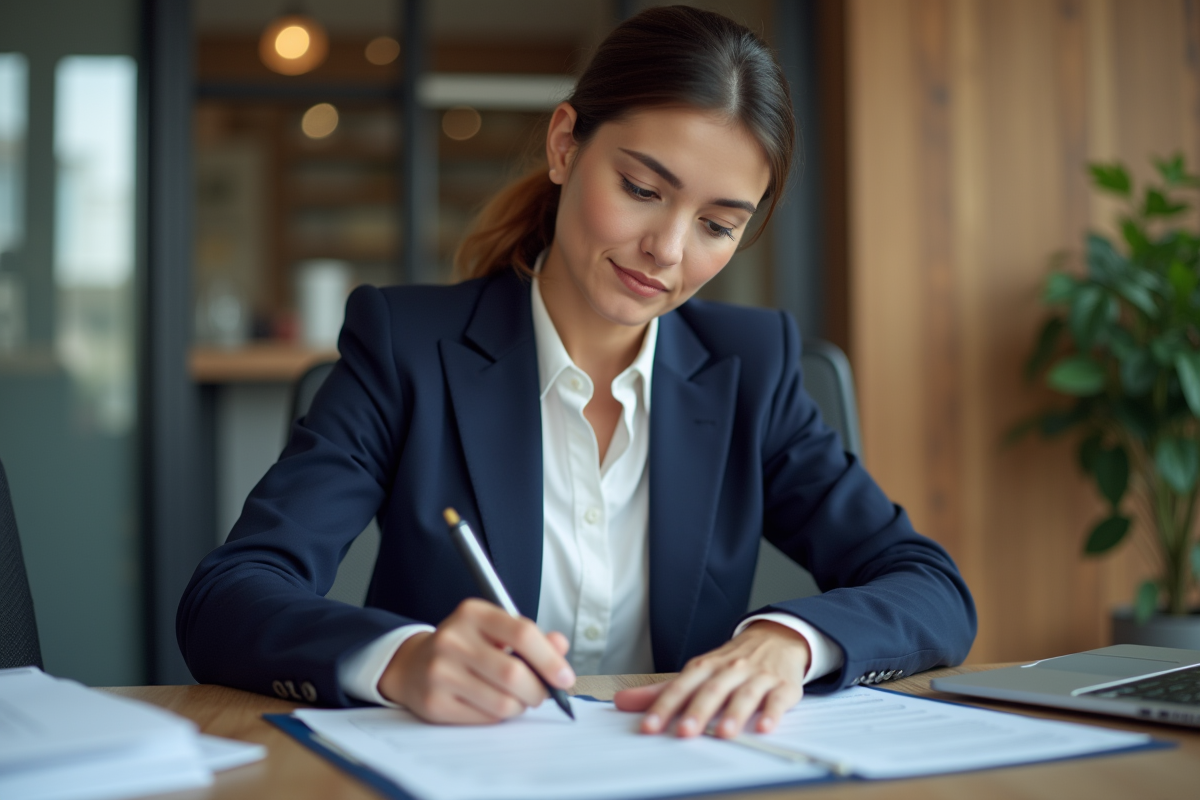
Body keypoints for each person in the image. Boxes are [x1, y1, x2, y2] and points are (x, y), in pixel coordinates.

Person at [177, 5, 975, 741]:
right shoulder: (408, 347)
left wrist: (789, 643)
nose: (667, 248)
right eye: (640, 189)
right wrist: (401, 659)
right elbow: (229, 597)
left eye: (716, 225)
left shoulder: (751, 368)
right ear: (565, 146)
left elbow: (929, 586)